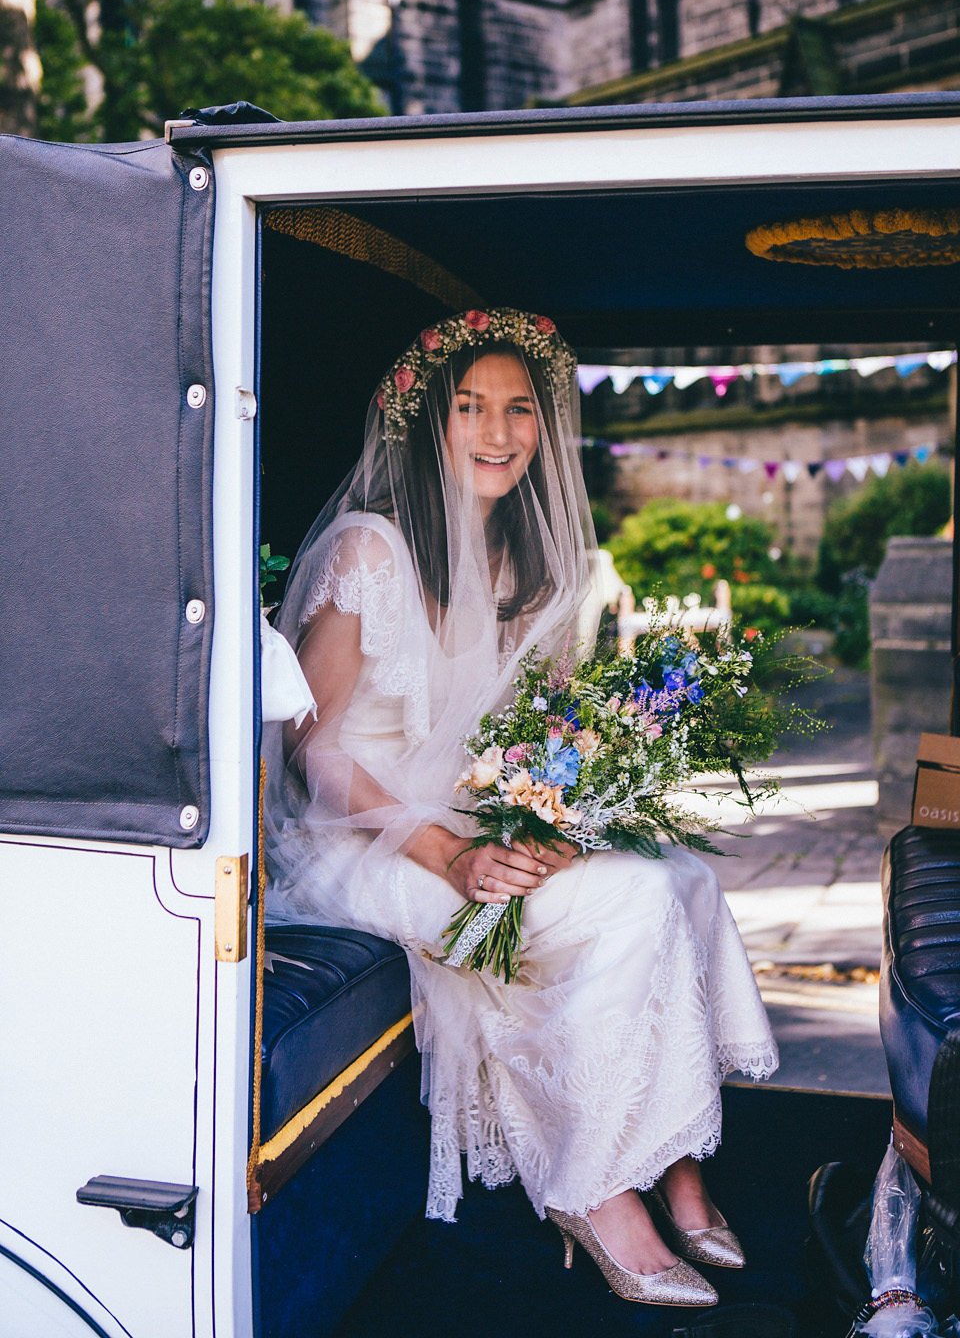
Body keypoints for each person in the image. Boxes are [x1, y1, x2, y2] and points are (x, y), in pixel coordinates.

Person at [263, 308, 778, 1307]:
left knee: (684, 875)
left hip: (469, 820)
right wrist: (451, 854)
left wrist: (552, 816)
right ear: (426, 423)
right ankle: (593, 1185)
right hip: (365, 843)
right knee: (629, 908)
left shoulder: (522, 567)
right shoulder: (369, 551)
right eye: (470, 408)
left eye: (519, 409)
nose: (499, 433)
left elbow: (517, 745)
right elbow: (311, 751)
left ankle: (674, 1157)